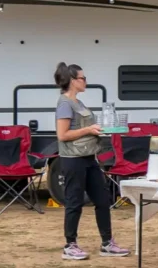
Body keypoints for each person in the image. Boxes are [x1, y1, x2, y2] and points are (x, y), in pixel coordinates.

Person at [54, 62, 130, 260]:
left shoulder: (79, 103)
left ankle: (107, 243)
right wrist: (88, 130)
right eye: (83, 78)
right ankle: (70, 245)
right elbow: (62, 135)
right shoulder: (65, 104)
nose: (85, 81)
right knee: (74, 202)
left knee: (103, 200)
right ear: (72, 81)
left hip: (89, 158)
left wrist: (101, 129)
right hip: (73, 160)